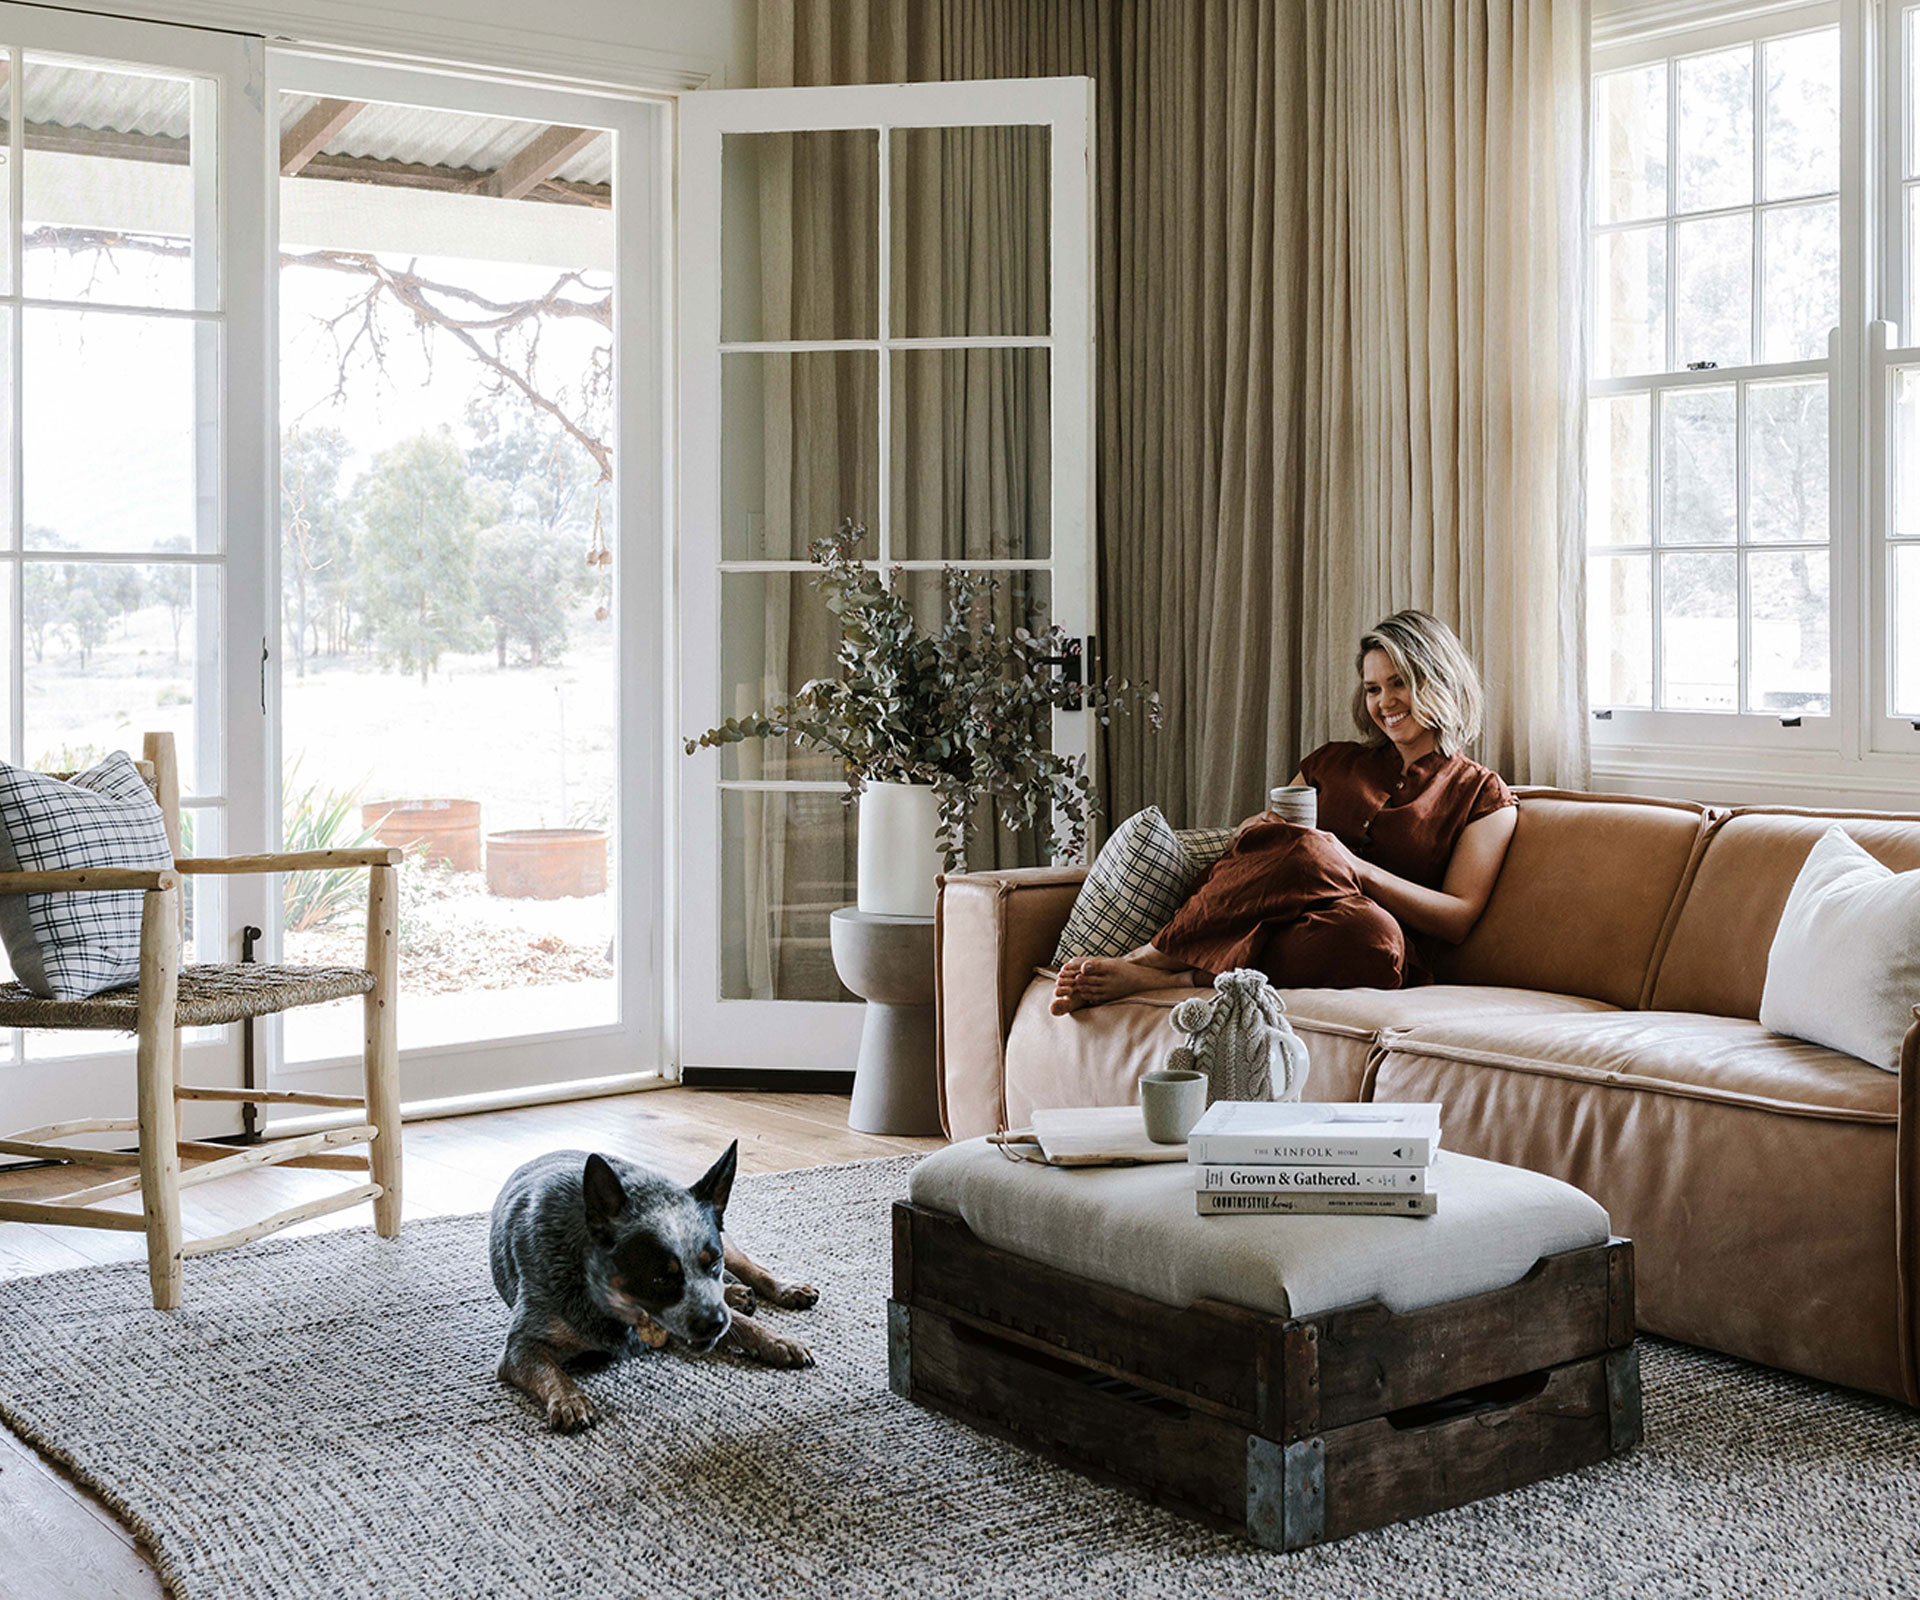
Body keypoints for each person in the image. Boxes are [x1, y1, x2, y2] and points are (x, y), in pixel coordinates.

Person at [1051, 610, 1519, 1013]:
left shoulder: (1481, 793)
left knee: (1375, 937)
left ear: (1437, 680)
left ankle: (1178, 978)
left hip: (1338, 935)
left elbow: (1457, 917)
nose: (1384, 702)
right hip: (1261, 916)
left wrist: (1351, 866)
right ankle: (1149, 962)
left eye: (1399, 683)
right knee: (1304, 848)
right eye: (1373, 688)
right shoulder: (1332, 761)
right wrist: (1256, 829)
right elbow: (1260, 844)